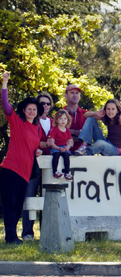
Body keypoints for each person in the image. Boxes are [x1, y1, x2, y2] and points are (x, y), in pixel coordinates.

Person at [0, 72, 43, 244]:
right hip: (10, 169)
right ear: (24, 111)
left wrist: (37, 151)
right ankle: (11, 237)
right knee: (10, 205)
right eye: (29, 109)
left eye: (34, 109)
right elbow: (5, 104)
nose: (32, 111)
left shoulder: (38, 130)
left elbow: (31, 147)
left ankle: (12, 236)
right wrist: (4, 82)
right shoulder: (17, 122)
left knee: (18, 207)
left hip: (25, 174)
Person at [21, 92, 54, 241]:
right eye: (42, 103)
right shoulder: (31, 122)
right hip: (33, 163)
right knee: (30, 195)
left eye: (47, 103)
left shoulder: (54, 121)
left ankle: (46, 232)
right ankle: (27, 233)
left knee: (47, 197)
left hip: (50, 164)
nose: (45, 106)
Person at [49, 110, 73, 180]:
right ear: (56, 120)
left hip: (63, 146)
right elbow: (52, 143)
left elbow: (69, 141)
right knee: (56, 155)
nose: (63, 120)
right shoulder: (54, 130)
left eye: (65, 118)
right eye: (60, 118)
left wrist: (67, 147)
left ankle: (67, 172)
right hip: (56, 147)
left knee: (66, 155)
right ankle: (55, 171)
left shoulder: (67, 130)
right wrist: (59, 149)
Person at [64, 84, 88, 153]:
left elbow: (89, 135)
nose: (75, 95)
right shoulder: (60, 114)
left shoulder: (86, 114)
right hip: (64, 154)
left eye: (77, 93)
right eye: (72, 93)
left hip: (83, 155)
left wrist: (71, 132)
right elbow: (59, 135)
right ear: (66, 95)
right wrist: (79, 134)